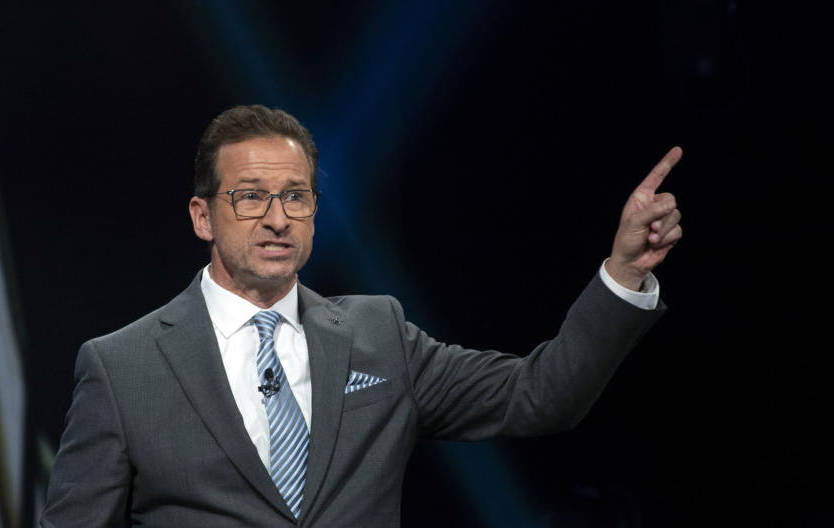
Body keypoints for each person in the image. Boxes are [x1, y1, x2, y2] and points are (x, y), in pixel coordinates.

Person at [40, 104, 682, 527]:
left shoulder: (379, 335)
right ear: (202, 215)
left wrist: (623, 274)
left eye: (295, 196)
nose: (276, 217)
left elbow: (541, 395)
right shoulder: (122, 368)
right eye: (250, 196)